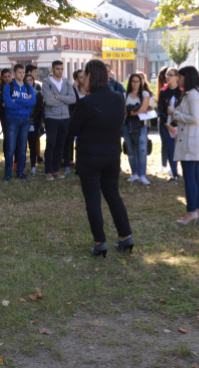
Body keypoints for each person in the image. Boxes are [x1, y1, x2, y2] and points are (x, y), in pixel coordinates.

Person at [69, 60, 134, 258]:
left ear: (90, 76)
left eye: (85, 75)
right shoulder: (117, 98)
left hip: (90, 156)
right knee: (113, 196)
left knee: (93, 200)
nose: (84, 79)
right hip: (112, 155)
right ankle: (126, 237)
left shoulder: (86, 102)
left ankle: (100, 242)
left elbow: (72, 130)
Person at [168, 66, 199, 226]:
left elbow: (194, 118)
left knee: (189, 176)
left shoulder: (192, 94)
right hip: (194, 139)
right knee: (195, 173)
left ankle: (191, 211)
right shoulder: (195, 93)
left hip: (191, 140)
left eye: (179, 76)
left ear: (187, 77)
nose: (177, 79)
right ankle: (197, 208)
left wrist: (175, 114)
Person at [41, 60, 76, 181]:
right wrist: (64, 99)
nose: (60, 71)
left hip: (65, 117)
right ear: (52, 69)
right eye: (57, 69)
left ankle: (56, 169)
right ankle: (48, 171)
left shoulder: (66, 82)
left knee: (61, 144)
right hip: (51, 117)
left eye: (61, 69)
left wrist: (58, 97)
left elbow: (73, 99)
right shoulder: (46, 83)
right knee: (51, 144)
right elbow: (49, 101)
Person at [3, 64, 36, 183]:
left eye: (23, 72)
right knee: (10, 148)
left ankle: (20, 172)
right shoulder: (9, 87)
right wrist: (24, 101)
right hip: (12, 119)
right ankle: (7, 173)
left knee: (22, 148)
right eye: (19, 73)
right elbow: (8, 104)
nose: (22, 75)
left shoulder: (28, 86)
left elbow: (32, 102)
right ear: (14, 73)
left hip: (25, 120)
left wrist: (16, 99)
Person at [123, 73, 151, 186]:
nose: (135, 83)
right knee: (130, 150)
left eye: (137, 81)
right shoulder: (125, 95)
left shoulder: (144, 93)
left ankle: (142, 175)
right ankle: (134, 174)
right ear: (130, 82)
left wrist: (131, 112)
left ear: (141, 82)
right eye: (133, 81)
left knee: (142, 150)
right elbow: (124, 111)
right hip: (127, 125)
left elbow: (143, 108)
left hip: (141, 125)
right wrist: (135, 111)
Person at [156, 67, 182, 181]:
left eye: (171, 75)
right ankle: (174, 173)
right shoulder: (163, 91)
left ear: (177, 77)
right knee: (171, 148)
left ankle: (185, 171)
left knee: (180, 149)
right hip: (166, 125)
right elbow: (160, 110)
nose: (168, 77)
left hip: (180, 125)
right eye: (167, 74)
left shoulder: (182, 91)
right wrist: (167, 125)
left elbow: (185, 110)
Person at [63, 69, 85, 174]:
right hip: (76, 120)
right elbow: (73, 103)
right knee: (77, 143)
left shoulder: (89, 89)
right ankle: (77, 163)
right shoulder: (73, 90)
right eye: (81, 77)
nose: (83, 79)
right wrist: (73, 88)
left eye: (84, 76)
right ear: (76, 79)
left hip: (87, 120)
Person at [25, 73, 45, 175]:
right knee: (22, 146)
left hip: (33, 122)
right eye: (27, 80)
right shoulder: (21, 93)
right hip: (22, 121)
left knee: (33, 145)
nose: (29, 82)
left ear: (33, 81)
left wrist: (32, 118)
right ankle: (22, 165)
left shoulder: (38, 94)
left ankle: (33, 166)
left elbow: (39, 109)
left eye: (30, 80)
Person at [0, 68, 12, 155]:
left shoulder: (15, 85)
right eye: (5, 77)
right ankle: (7, 155)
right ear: (2, 77)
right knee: (7, 136)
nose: (7, 78)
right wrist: (2, 105)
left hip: (14, 113)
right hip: (4, 114)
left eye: (9, 76)